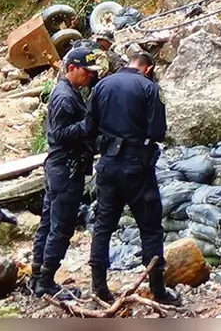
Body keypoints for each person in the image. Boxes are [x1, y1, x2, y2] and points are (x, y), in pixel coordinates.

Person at [86, 51, 181, 306]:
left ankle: (99, 286)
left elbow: (89, 126)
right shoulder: (149, 88)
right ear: (148, 69)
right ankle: (158, 288)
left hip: (107, 166)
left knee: (103, 224)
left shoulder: (102, 85)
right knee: (150, 226)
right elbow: (157, 131)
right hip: (137, 167)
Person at [30, 47, 103, 296]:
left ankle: (37, 274)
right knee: (61, 227)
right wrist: (88, 125)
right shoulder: (64, 97)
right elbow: (60, 135)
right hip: (66, 169)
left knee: (49, 222)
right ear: (72, 68)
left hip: (60, 168)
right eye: (86, 71)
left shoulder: (70, 91)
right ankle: (45, 281)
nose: (90, 76)